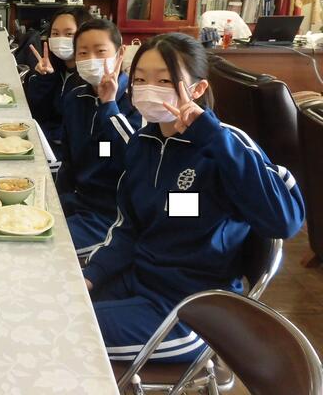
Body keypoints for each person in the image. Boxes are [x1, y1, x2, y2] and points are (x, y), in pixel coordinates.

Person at [83, 32, 304, 363]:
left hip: (191, 312)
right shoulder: (143, 144)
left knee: (64, 332)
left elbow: (284, 221)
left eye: (164, 80)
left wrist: (212, 137)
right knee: (55, 306)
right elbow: (128, 228)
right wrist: (92, 274)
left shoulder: (226, 143)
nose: (148, 88)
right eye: (140, 79)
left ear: (198, 89)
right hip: (137, 282)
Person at [56, 18, 142, 254]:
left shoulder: (138, 103)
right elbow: (68, 160)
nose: (91, 59)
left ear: (120, 53)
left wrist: (109, 106)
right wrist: (56, 201)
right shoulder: (75, 98)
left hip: (110, 217)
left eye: (100, 51)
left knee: (44, 248)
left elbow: (135, 160)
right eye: (83, 53)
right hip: (76, 203)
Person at [26, 6, 92, 158]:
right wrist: (44, 78)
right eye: (55, 33)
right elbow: (37, 112)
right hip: (47, 148)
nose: (61, 39)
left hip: (73, 157)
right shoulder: (54, 70)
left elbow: (103, 143)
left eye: (69, 34)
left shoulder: (93, 78)